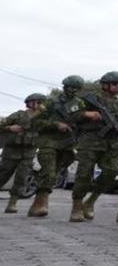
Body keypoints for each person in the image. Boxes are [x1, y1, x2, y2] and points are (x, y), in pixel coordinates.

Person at [68, 71, 118, 222]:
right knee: (84, 174)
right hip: (91, 141)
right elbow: (71, 115)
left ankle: (91, 201)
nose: (117, 87)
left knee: (113, 170)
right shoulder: (90, 99)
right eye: (114, 84)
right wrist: (87, 114)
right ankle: (77, 205)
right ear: (105, 84)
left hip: (112, 142)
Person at [29, 75, 84, 217]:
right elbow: (35, 123)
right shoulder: (50, 103)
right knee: (48, 171)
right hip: (49, 142)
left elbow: (81, 123)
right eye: (70, 87)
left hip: (67, 145)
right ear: (64, 86)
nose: (72, 90)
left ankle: (38, 200)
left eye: (76, 88)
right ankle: (41, 202)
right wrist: (55, 124)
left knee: (54, 173)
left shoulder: (80, 104)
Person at [0, 94, 45, 213]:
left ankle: (12, 203)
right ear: (29, 103)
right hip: (12, 151)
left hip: (28, 151)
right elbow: (2, 125)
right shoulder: (18, 115)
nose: (37, 105)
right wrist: (10, 128)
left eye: (39, 102)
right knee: (3, 174)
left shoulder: (43, 119)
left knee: (22, 177)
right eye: (35, 102)